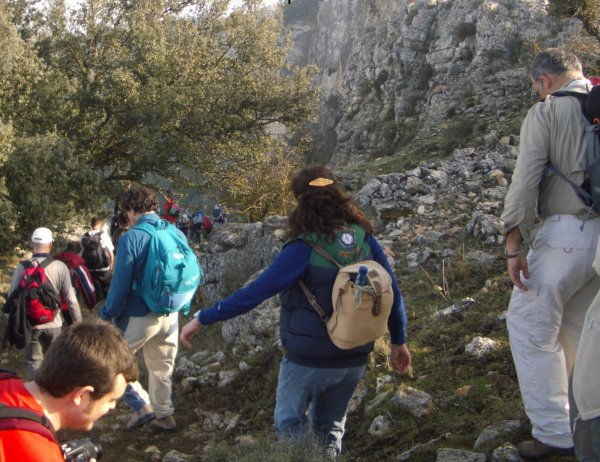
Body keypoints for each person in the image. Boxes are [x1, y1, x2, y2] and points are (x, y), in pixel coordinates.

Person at [180, 165, 411, 457]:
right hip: (354, 358)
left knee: (290, 425)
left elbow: (255, 293)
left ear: (302, 201)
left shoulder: (303, 247)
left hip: (309, 360)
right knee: (331, 429)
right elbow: (392, 290)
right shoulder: (364, 237)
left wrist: (203, 317)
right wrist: (399, 342)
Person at [500, 48, 600, 460]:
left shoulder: (548, 112)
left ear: (544, 81)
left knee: (528, 327)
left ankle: (554, 435)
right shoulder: (594, 103)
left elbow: (525, 179)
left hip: (565, 235)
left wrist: (513, 244)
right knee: (577, 333)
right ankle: (584, 424)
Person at [101, 186, 185, 432]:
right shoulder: (174, 232)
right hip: (170, 313)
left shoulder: (131, 237)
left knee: (110, 361)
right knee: (161, 367)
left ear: (130, 210)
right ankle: (164, 415)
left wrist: (107, 314)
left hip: (140, 314)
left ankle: (141, 406)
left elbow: (120, 284)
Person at [0, 319, 138, 462]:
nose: (113, 407)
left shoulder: (4, 380)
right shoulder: (39, 454)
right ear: (82, 395)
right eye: (111, 400)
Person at [7, 227, 82, 378]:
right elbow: (71, 299)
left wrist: (13, 326)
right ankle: (52, 394)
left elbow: (12, 300)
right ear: (50, 245)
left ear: (31, 244)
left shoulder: (21, 268)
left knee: (34, 363)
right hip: (54, 323)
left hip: (30, 325)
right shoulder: (60, 267)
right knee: (54, 362)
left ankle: (38, 395)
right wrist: (78, 324)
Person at [54, 242, 97, 320]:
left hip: (52, 303)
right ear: (79, 253)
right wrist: (91, 305)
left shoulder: (53, 261)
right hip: (70, 304)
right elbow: (88, 288)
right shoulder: (79, 267)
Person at [81, 217, 114, 301]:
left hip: (90, 267)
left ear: (91, 225)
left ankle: (97, 300)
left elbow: (82, 252)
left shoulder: (84, 236)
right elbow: (110, 252)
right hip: (103, 266)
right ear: (99, 224)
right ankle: (107, 301)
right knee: (107, 285)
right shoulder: (103, 235)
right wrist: (111, 264)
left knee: (96, 285)